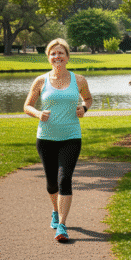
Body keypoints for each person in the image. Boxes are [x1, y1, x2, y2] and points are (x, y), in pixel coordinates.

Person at [23, 38, 93, 243]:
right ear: (48, 58)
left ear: (68, 57)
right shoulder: (40, 81)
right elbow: (27, 105)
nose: (57, 56)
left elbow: (88, 98)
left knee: (64, 179)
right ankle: (55, 210)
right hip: (46, 138)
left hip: (71, 136)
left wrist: (84, 108)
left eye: (61, 53)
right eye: (53, 53)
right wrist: (38, 114)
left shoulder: (79, 80)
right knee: (51, 182)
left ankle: (61, 225)